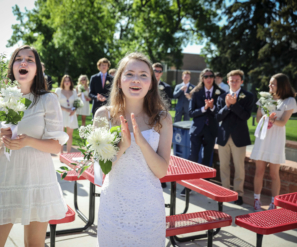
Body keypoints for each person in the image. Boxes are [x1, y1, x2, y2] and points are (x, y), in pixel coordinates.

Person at [0, 45, 68, 247]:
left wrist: (28, 141)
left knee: (34, 244)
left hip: (38, 180)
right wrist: (1, 138)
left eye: (29, 59)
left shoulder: (48, 99)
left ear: (37, 69)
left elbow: (56, 147)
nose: (23, 62)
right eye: (18, 59)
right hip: (6, 179)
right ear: (12, 66)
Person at [95, 52, 172, 247]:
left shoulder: (162, 118)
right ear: (119, 81)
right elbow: (101, 170)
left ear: (151, 83)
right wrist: (123, 146)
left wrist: (142, 142)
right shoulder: (103, 115)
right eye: (129, 74)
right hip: (114, 206)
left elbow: (161, 171)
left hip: (149, 207)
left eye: (143, 75)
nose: (136, 79)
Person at [251, 73, 297, 211]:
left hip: (276, 140)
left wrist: (272, 120)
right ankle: (256, 200)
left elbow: (283, 122)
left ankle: (273, 203)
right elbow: (258, 119)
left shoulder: (289, 101)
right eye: (270, 83)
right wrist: (265, 119)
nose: (270, 86)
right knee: (259, 171)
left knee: (274, 174)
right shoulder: (264, 98)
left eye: (273, 84)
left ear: (282, 85)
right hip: (262, 139)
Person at [181, 68, 225, 196]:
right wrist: (204, 108)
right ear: (202, 78)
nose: (209, 78)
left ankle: (205, 186)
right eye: (206, 76)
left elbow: (220, 114)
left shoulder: (220, 93)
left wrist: (212, 107)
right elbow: (191, 113)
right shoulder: (195, 92)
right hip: (197, 130)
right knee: (193, 157)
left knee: (207, 158)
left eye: (211, 76)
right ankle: (188, 186)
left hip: (211, 130)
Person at [216, 70, 254, 206]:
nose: (234, 82)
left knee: (239, 167)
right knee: (224, 166)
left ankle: (239, 194)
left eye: (237, 80)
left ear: (242, 82)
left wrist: (234, 104)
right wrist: (227, 106)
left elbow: (245, 116)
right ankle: (225, 192)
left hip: (239, 137)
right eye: (232, 80)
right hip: (223, 137)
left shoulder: (248, 96)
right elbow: (218, 116)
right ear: (228, 81)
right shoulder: (221, 97)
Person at [55, 75, 79, 153]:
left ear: (71, 82)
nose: (67, 82)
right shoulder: (58, 90)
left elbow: (77, 103)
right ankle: (61, 153)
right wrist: (65, 109)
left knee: (69, 134)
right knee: (61, 134)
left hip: (71, 115)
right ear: (63, 82)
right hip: (61, 114)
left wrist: (74, 110)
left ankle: (68, 153)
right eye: (65, 80)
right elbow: (55, 103)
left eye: (68, 80)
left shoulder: (74, 91)